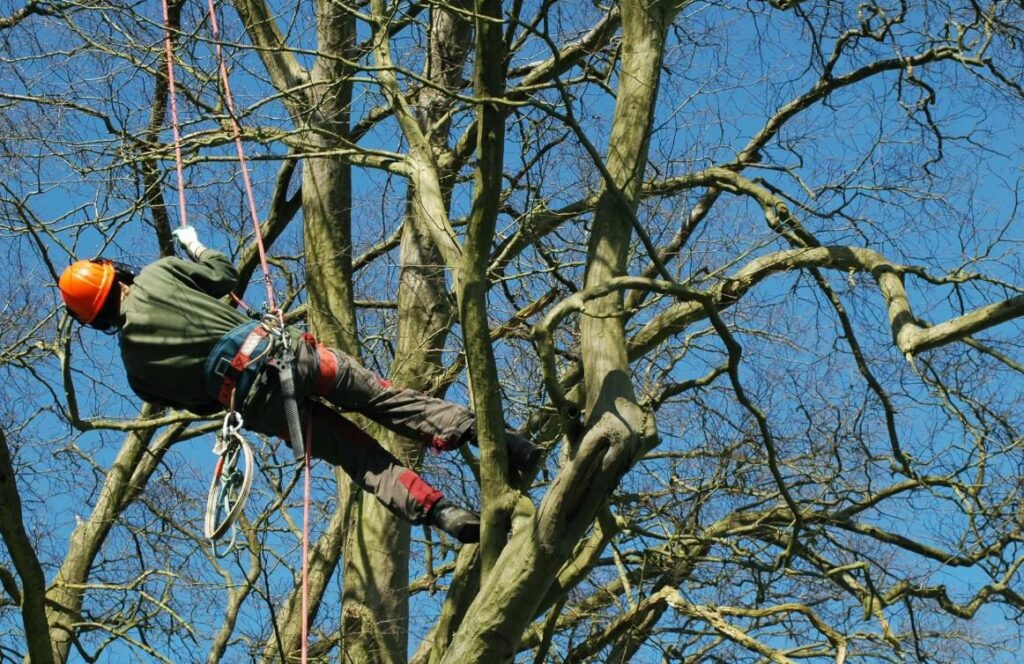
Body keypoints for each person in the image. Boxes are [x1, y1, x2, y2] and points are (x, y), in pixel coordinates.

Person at [57, 226, 538, 544]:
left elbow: (202, 404)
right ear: (114, 273)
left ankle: (441, 513)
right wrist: (196, 246)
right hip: (289, 356)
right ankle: (502, 441)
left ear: (95, 320)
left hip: (263, 406)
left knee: (360, 459)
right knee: (384, 399)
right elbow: (224, 275)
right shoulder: (160, 275)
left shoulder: (137, 372)